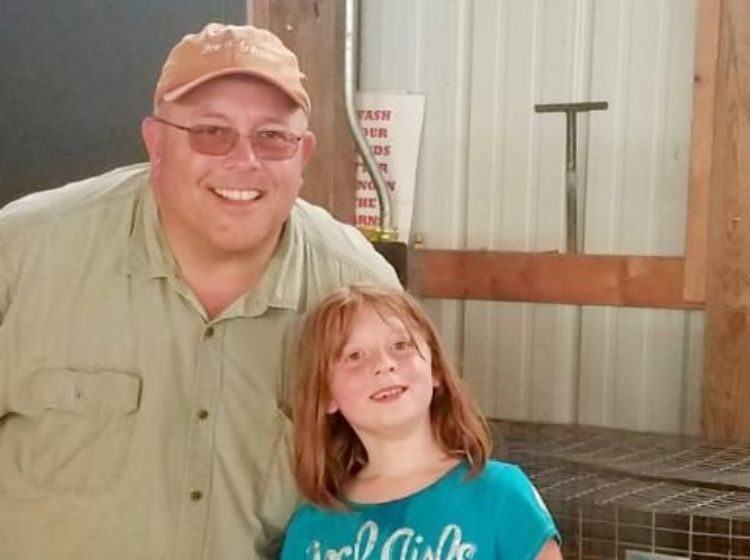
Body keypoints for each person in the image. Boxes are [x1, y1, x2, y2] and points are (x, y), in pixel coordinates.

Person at [0, 23, 399, 560]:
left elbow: (413, 483)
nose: (243, 160)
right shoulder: (23, 251)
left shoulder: (362, 290)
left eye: (271, 136)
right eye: (211, 131)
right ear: (156, 141)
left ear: (303, 154)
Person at [282, 284, 562, 559]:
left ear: (435, 369)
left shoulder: (501, 494)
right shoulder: (311, 529)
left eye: (400, 345)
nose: (384, 363)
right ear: (326, 395)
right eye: (354, 355)